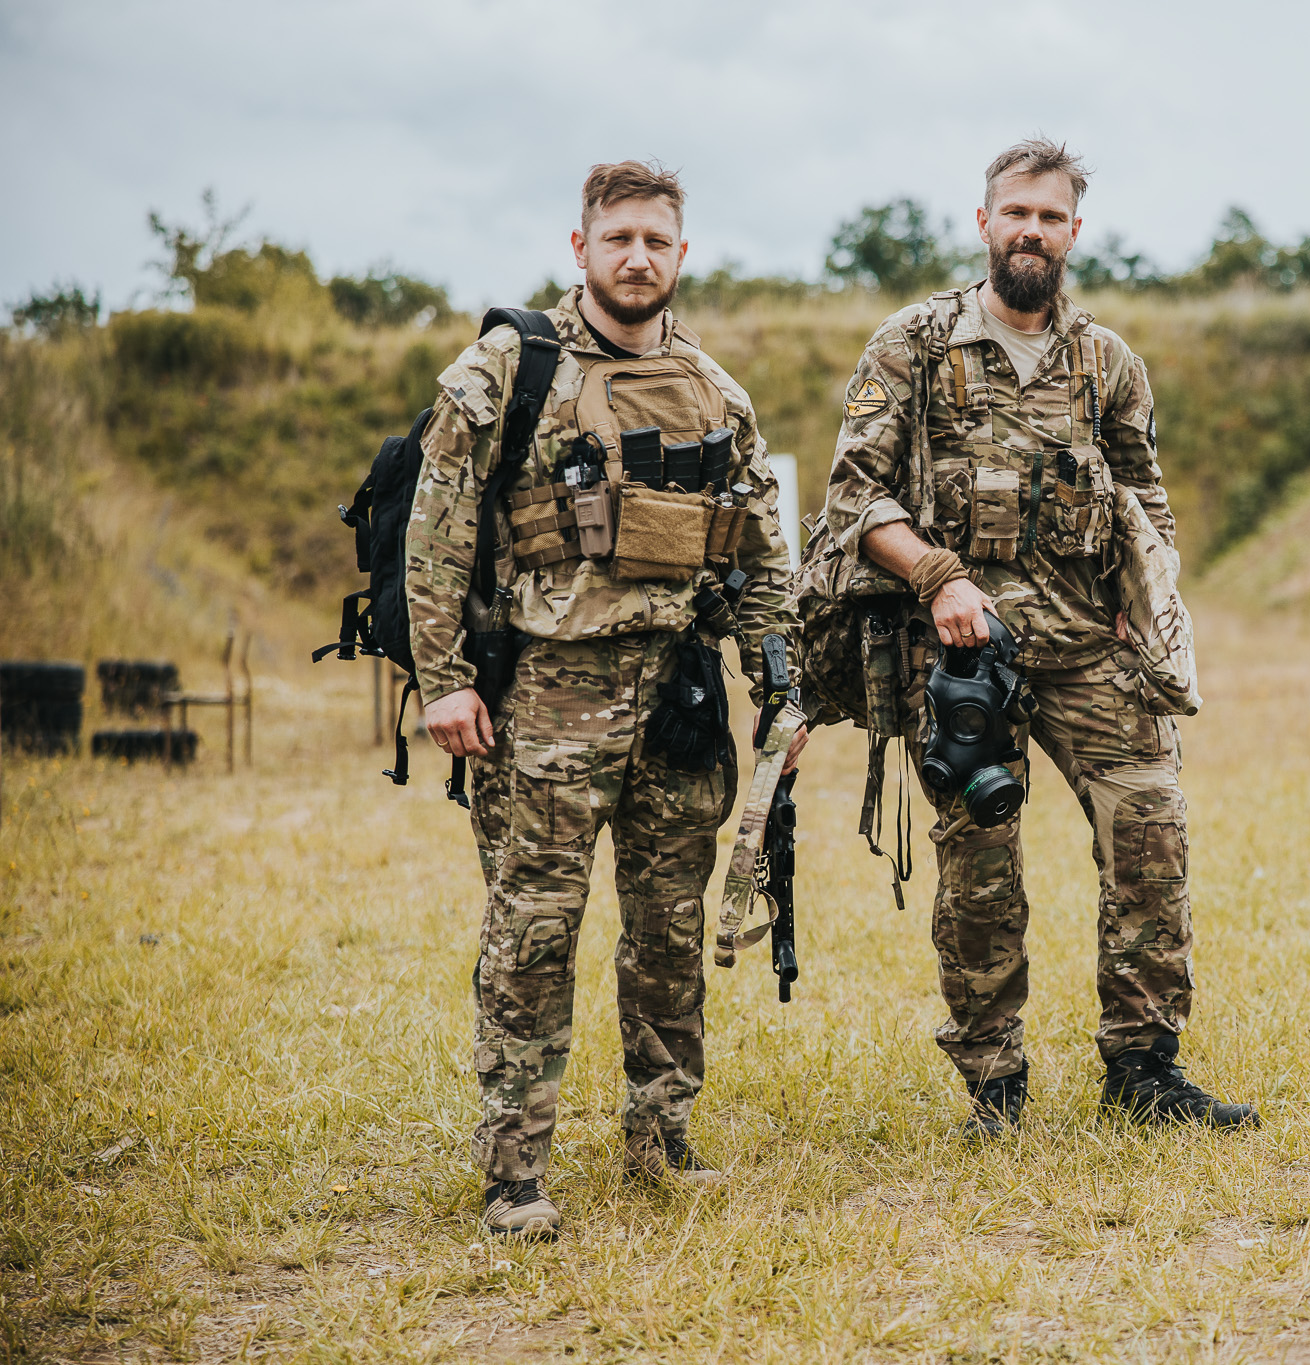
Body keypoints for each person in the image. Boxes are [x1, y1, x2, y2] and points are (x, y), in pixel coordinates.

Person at [821, 139, 1257, 1136]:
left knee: (1151, 840)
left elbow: (1144, 496)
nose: (1029, 231)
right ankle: (995, 1088)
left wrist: (1141, 600)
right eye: (1013, 213)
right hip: (964, 655)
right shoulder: (913, 345)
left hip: (1089, 653)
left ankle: (1144, 1072)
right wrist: (937, 579)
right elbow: (855, 495)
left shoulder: (1107, 364)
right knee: (979, 870)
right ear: (982, 224)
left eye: (1048, 217)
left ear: (1072, 233)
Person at [407, 160, 807, 1237]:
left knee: (669, 931)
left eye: (656, 240)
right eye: (617, 237)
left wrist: (781, 686)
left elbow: (760, 556)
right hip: (547, 698)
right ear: (578, 248)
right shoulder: (508, 370)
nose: (638, 257)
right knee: (532, 930)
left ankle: (661, 1137)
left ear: (683, 254)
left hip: (676, 700)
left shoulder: (718, 394)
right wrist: (442, 683)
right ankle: (515, 1174)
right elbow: (436, 533)